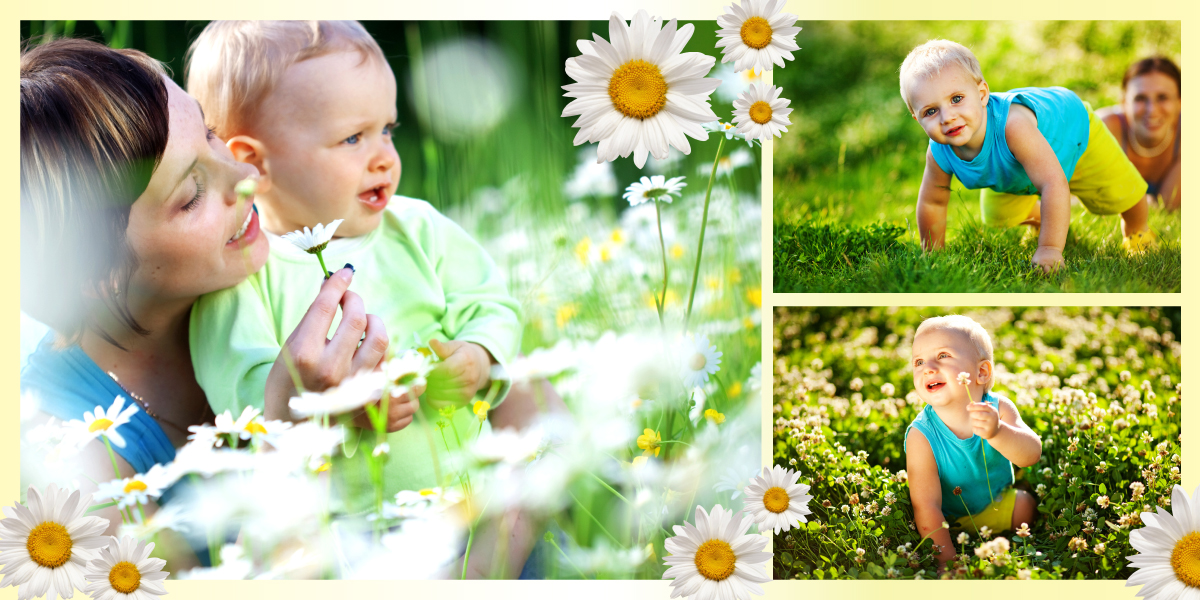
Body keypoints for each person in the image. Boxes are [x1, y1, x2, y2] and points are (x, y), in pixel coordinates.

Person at [185, 21, 552, 577]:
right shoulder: (243, 272)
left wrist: (477, 355)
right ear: (254, 164)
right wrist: (337, 408)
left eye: (388, 130)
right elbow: (242, 389)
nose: (383, 157)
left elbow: (490, 303)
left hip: (469, 503)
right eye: (353, 138)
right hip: (347, 535)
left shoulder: (420, 228)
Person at [19, 38, 413, 549]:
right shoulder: (64, 468)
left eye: (209, 133)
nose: (248, 176)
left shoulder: (290, 270)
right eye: (191, 196)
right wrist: (290, 438)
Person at [901, 39, 1154, 273]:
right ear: (916, 118)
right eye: (931, 111)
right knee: (998, 215)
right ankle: (1045, 220)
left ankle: (1137, 232)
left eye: (957, 99)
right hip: (1022, 163)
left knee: (1121, 191)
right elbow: (932, 202)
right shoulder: (939, 152)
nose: (947, 117)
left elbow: (1053, 182)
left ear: (981, 95)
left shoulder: (1013, 125)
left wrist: (1049, 250)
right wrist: (932, 255)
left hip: (1071, 130)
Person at [904, 315, 1042, 570]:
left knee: (1025, 505)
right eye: (919, 362)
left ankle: (997, 548)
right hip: (949, 521)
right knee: (933, 525)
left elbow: (1031, 455)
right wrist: (946, 560)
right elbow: (926, 504)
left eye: (943, 355)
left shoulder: (999, 408)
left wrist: (998, 432)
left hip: (995, 504)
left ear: (981, 372)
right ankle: (964, 549)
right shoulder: (921, 435)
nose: (928, 367)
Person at [1097, 57, 1182, 211]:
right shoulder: (1102, 128)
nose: (1152, 110)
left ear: (1180, 102)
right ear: (1124, 103)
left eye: (1163, 97)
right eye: (1140, 98)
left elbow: (1167, 207)